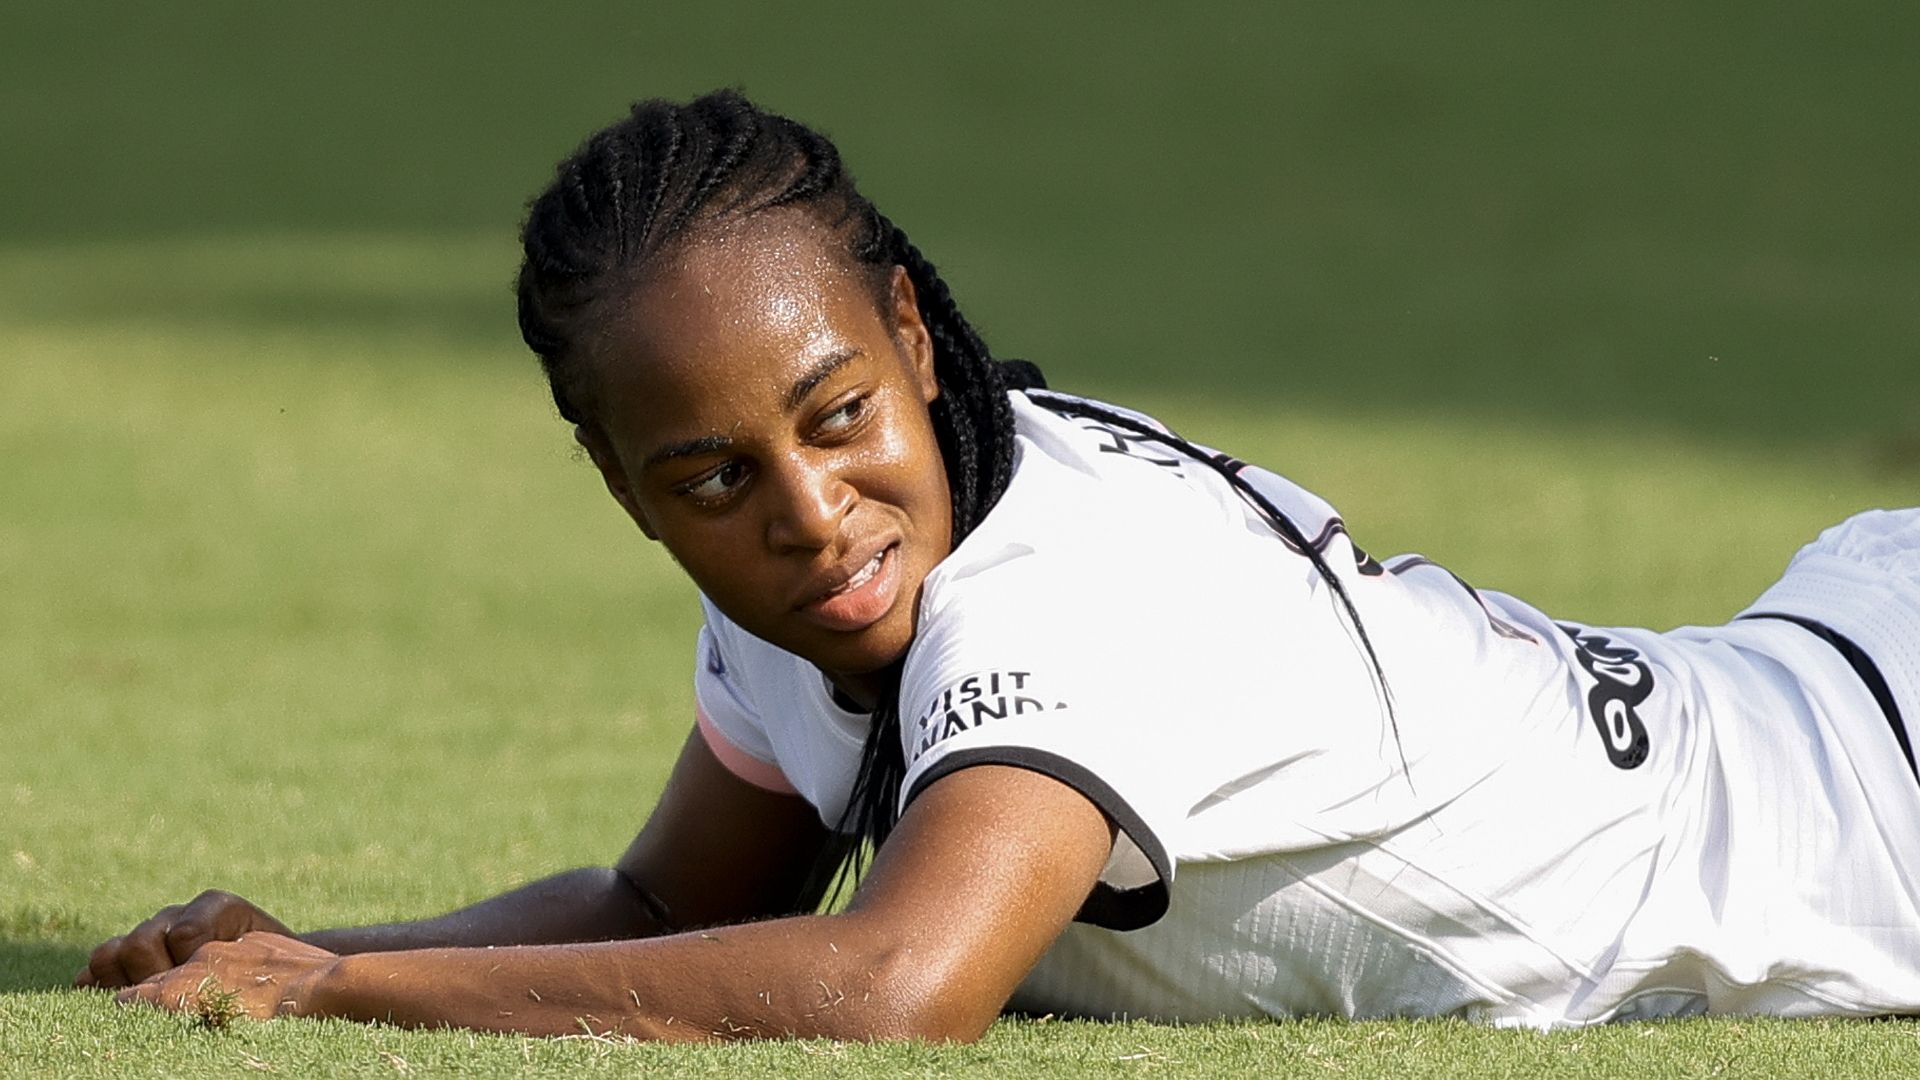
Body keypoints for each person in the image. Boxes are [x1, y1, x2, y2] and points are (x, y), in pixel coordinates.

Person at [78, 91, 1920, 1038]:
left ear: (915, 331)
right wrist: (304, 946)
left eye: (836, 413)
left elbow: (895, 990)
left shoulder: (1063, 584)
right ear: (624, 488)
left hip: (1878, 793)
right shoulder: (820, 603)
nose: (806, 513)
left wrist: (349, 996)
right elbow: (659, 920)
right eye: (713, 475)